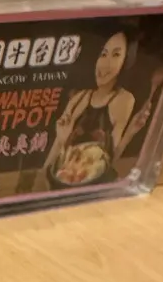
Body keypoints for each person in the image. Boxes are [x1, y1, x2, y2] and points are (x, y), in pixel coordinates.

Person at [44, 28, 151, 186]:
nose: (105, 63)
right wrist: (61, 140)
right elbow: (50, 164)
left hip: (94, 185)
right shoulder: (79, 98)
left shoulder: (123, 100)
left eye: (116, 55)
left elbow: (110, 160)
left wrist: (130, 132)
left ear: (126, 61)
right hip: (63, 182)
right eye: (103, 54)